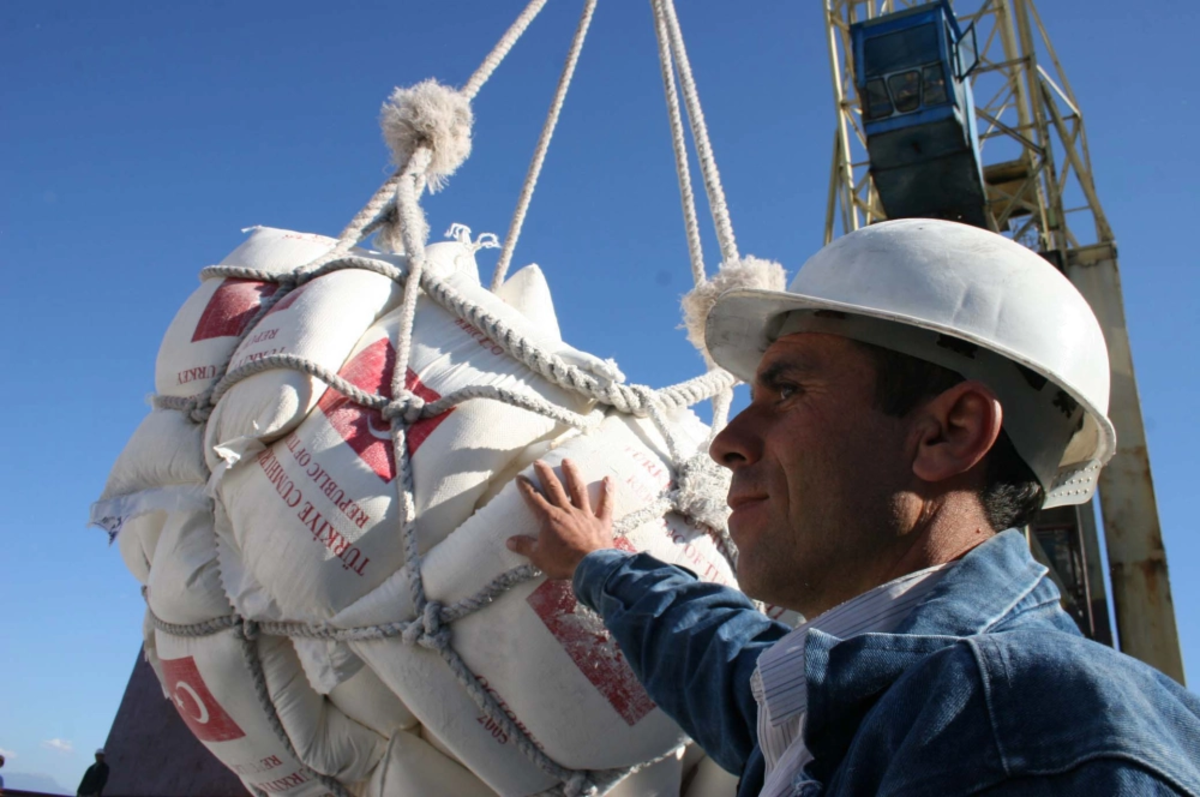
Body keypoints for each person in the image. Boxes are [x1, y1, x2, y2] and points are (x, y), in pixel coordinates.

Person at [507, 219, 1200, 796]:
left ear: (947, 432)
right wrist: (598, 564)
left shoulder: (1028, 732)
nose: (725, 443)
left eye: (787, 393)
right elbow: (718, 655)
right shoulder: (870, 704)